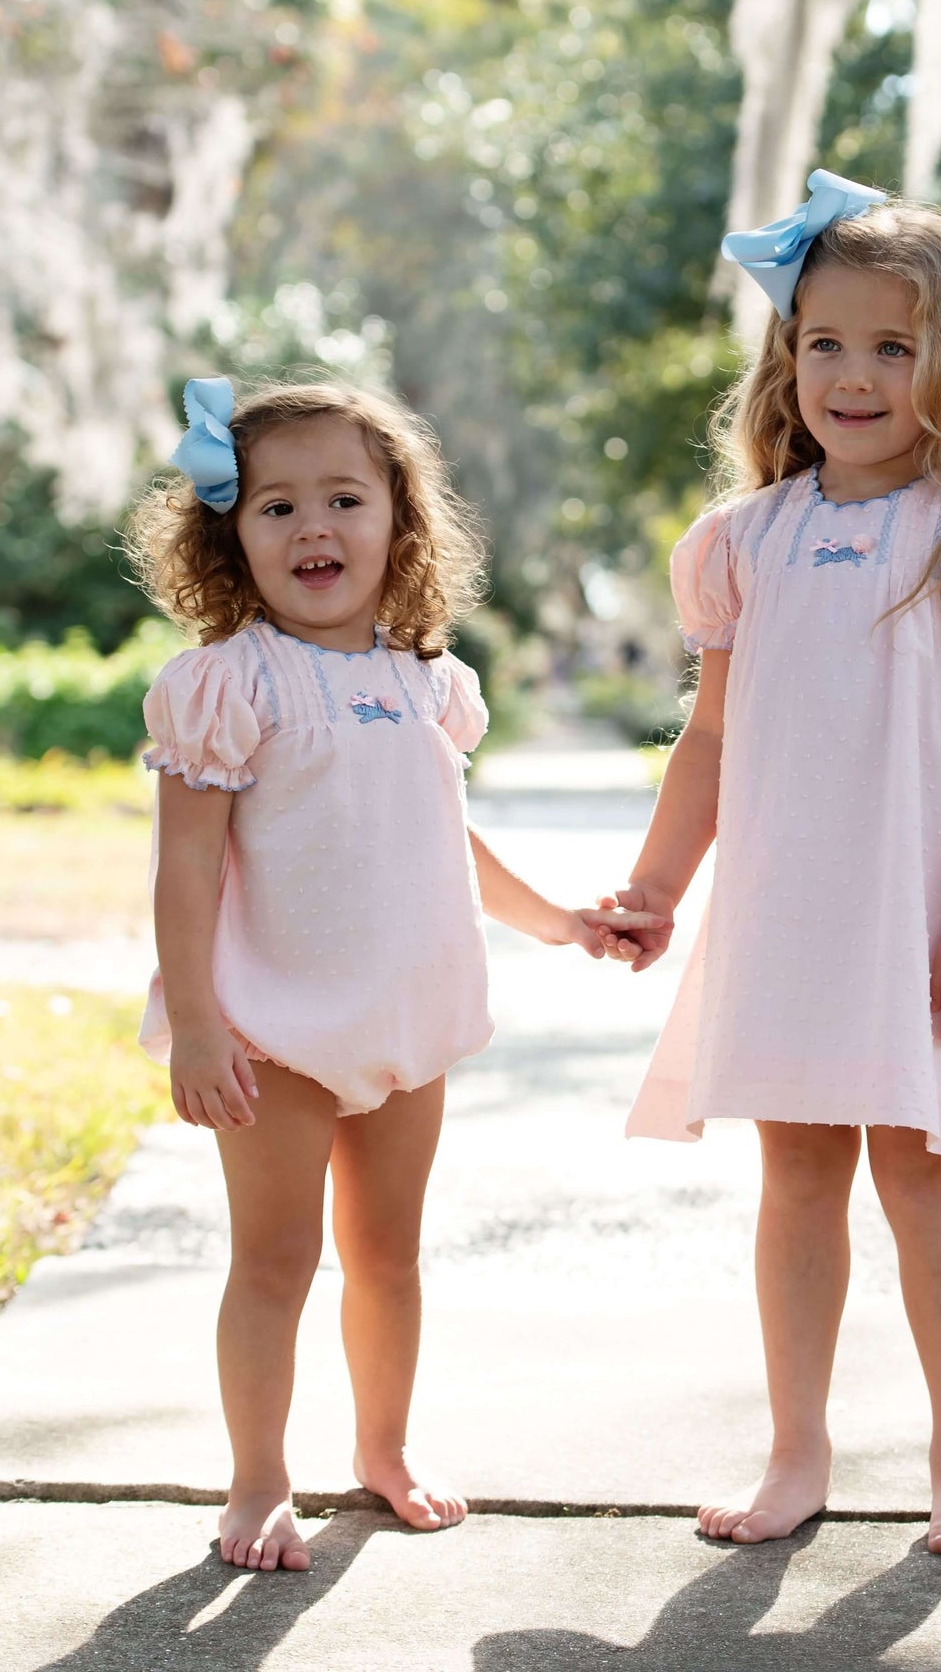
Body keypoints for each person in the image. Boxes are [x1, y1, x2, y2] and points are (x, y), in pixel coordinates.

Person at [611, 170, 941, 1556]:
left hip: (925, 921)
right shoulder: (744, 542)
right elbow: (706, 737)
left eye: (894, 346)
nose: (854, 374)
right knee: (797, 1175)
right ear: (786, 356)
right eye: (825, 343)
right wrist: (655, 884)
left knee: (926, 1178)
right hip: (786, 916)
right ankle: (796, 1450)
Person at [125, 377, 663, 1573]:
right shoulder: (229, 685)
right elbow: (185, 873)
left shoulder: (426, 683)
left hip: (405, 1023)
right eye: (276, 507)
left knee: (388, 1257)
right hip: (273, 1029)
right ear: (231, 536)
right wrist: (201, 1026)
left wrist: (562, 923)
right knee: (274, 1262)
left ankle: (384, 1448)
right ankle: (258, 1480)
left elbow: (446, 841)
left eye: (343, 499)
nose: (313, 527)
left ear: (398, 522)